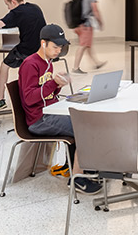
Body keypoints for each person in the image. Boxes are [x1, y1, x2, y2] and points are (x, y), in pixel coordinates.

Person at [20, 24, 102, 194]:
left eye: (60, 47)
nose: (58, 51)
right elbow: (29, 98)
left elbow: (47, 94)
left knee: (87, 119)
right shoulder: (30, 64)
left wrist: (58, 86)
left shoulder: (48, 63)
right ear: (43, 44)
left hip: (51, 111)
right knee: (84, 127)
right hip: (39, 120)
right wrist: (53, 83)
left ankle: (86, 168)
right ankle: (78, 178)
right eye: (55, 47)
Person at [0, 0, 46, 112]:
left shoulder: (16, 12)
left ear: (13, 2)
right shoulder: (35, 7)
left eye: (7, 5)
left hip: (27, 50)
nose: (8, 8)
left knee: (4, 65)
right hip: (43, 50)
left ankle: (0, 99)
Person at [72, 0, 106, 74]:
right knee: (83, 45)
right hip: (86, 25)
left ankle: (96, 63)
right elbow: (95, 10)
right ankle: (75, 68)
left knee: (87, 45)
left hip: (78, 25)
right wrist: (100, 21)